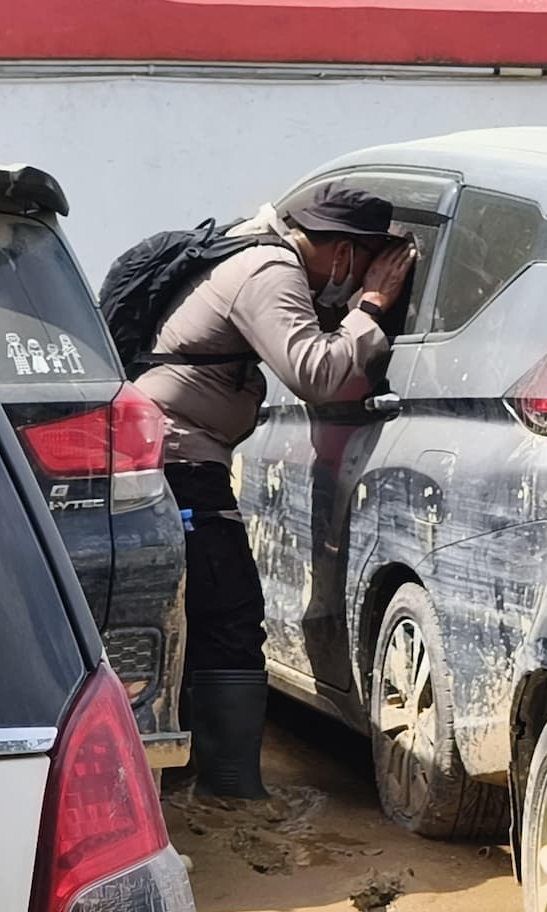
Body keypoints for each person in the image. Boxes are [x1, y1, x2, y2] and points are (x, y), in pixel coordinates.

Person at [135, 184, 414, 801]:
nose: (353, 280)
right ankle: (229, 790)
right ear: (342, 251)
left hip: (176, 454)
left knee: (202, 612)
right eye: (364, 264)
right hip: (179, 459)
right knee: (230, 612)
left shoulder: (255, 252)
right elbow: (313, 372)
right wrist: (370, 307)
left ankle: (187, 779)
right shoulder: (269, 268)